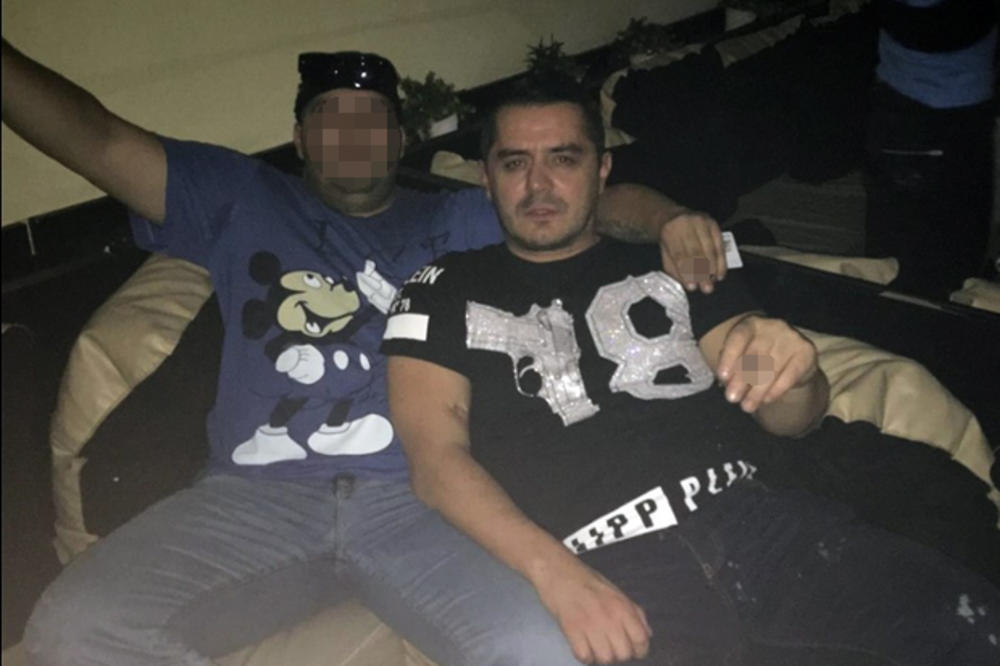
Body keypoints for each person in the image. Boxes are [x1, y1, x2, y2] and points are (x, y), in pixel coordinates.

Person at [1, 38, 730, 665]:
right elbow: (95, 137)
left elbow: (591, 202)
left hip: (425, 499)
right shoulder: (238, 195)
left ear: (401, 138)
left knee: (546, 649)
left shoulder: (467, 215)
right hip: (253, 498)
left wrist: (670, 219)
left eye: (372, 119)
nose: (352, 135)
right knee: (69, 629)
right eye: (330, 118)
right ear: (299, 136)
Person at [381, 78, 1000, 665]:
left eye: (564, 159)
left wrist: (797, 376)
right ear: (486, 179)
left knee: (972, 629)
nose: (538, 184)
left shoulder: (673, 263)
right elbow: (436, 461)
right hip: (610, 564)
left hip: (762, 524)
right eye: (514, 162)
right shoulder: (442, 288)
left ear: (601, 170)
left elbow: (787, 417)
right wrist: (559, 577)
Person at [864, 0, 997, 299]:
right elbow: (932, 30)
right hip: (922, 117)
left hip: (944, 113)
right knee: (908, 274)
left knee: (955, 265)